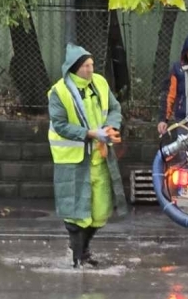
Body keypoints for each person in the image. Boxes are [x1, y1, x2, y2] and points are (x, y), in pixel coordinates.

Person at [47, 44, 128, 268]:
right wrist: (90, 134)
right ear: (75, 68)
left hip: (99, 158)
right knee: (76, 213)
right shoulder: (60, 91)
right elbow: (60, 125)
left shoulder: (100, 83)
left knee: (100, 212)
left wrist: (110, 127)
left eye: (92, 65)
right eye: (85, 66)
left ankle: (81, 250)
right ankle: (78, 256)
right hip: (73, 160)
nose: (90, 69)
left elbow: (114, 108)